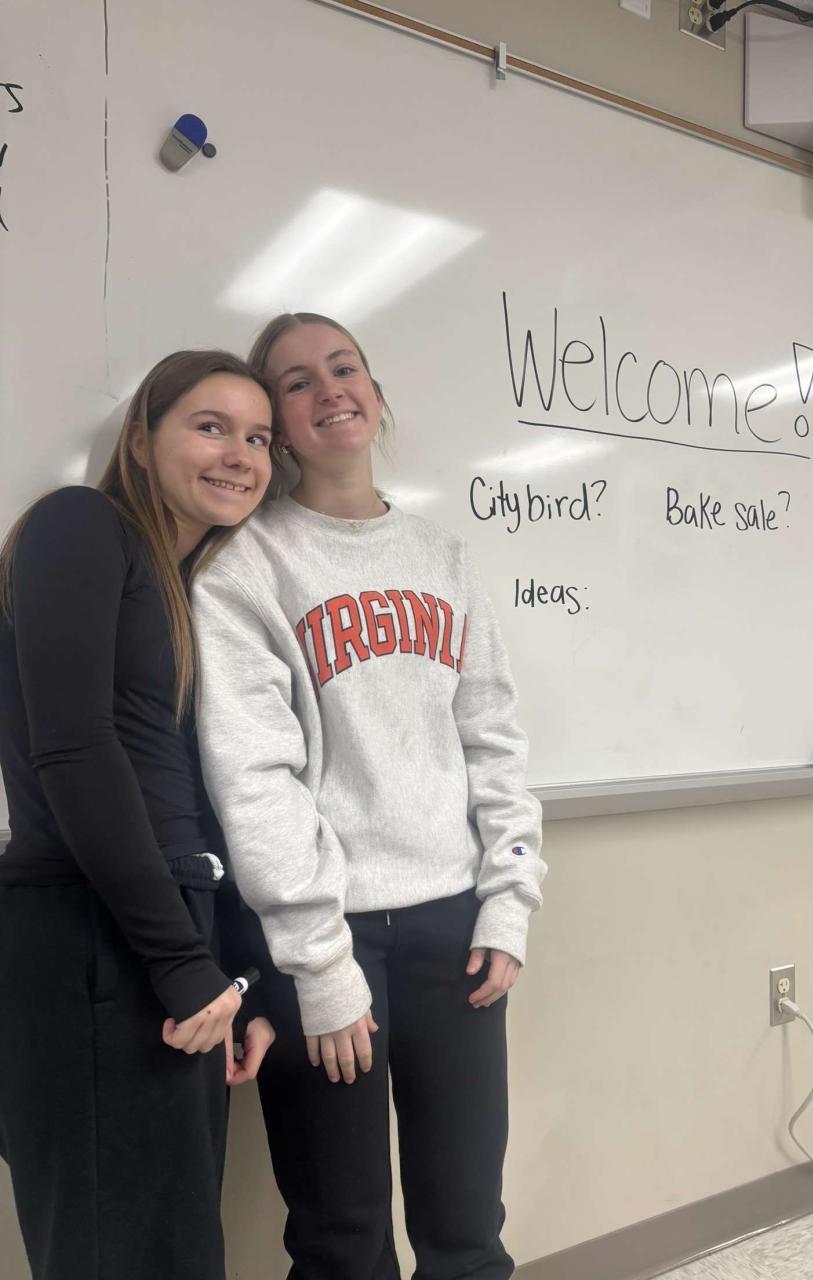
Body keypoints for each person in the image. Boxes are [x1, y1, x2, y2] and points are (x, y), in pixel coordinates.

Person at [191, 312, 546, 1280]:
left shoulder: (444, 557)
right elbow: (253, 780)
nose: (328, 390)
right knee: (342, 1242)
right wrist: (318, 963)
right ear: (277, 426)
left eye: (343, 368)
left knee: (467, 1228)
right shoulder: (244, 566)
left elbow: (495, 742)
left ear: (377, 397)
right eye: (296, 382)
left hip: (455, 930)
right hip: (324, 939)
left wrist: (510, 900)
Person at [0, 350, 277, 1280]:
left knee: (174, 1246)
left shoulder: (186, 588)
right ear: (140, 438)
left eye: (258, 438)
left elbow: (196, 796)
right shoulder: (80, 526)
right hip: (92, 930)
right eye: (210, 426)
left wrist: (236, 975)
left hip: (165, 930)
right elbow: (74, 750)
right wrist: (181, 964)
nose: (239, 454)